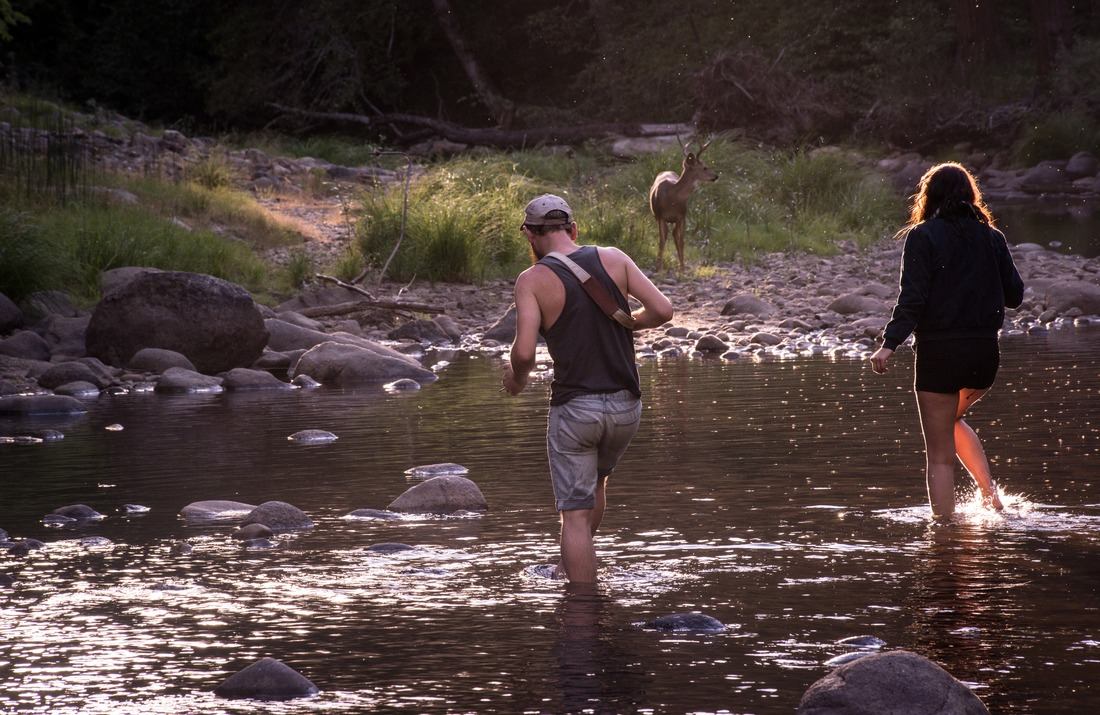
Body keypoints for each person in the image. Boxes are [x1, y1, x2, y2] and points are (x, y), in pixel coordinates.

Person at [502, 194, 673, 583]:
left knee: (574, 516)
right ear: (573, 229)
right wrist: (630, 323)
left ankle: (582, 614)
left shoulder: (531, 281)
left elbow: (525, 353)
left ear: (529, 235)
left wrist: (517, 378)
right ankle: (571, 565)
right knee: (596, 483)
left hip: (576, 409)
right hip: (626, 407)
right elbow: (663, 310)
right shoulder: (614, 257)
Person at [870, 162, 1024, 520]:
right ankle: (990, 498)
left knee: (939, 457)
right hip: (983, 356)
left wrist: (888, 344)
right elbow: (1015, 295)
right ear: (972, 196)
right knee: (952, 421)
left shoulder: (922, 236)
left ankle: (942, 535)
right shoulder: (993, 237)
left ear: (929, 197)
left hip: (939, 354)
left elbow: (913, 299)